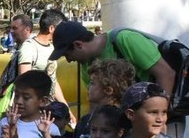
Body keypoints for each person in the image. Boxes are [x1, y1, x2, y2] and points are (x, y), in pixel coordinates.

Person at [49, 21, 177, 105]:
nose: (69, 60)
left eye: (67, 54)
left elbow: (166, 75)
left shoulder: (124, 39)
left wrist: (159, 116)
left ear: (78, 44)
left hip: (163, 115)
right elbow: (95, 102)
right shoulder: (87, 64)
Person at [17, 9, 73, 124]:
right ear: (51, 28)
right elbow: (24, 83)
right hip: (34, 114)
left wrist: (66, 108)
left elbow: (53, 80)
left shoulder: (52, 48)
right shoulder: (29, 47)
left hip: (50, 110)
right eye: (61, 28)